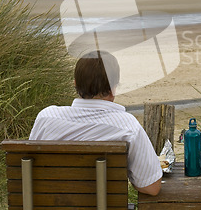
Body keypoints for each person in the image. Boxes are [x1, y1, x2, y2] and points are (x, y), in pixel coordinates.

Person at [29, 50, 162, 196]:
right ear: (113, 88)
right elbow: (151, 187)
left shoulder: (46, 118)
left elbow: (30, 171)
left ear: (75, 85)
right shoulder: (127, 127)